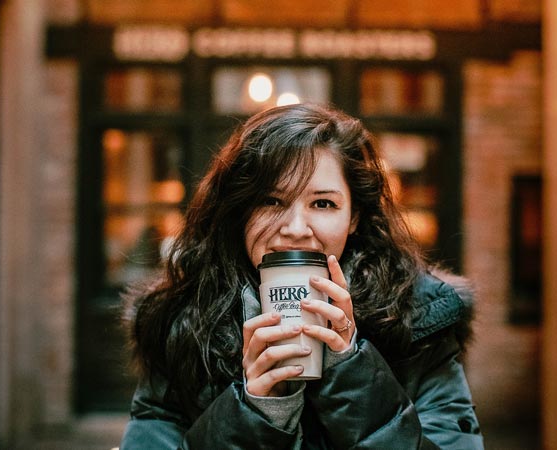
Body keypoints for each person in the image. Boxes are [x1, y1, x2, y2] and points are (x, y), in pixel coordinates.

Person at [120, 103, 484, 449]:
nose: (295, 228)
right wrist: (256, 410)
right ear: (240, 211)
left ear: (354, 216)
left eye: (323, 203)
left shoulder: (418, 320)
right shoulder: (181, 323)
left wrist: (351, 368)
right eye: (271, 201)